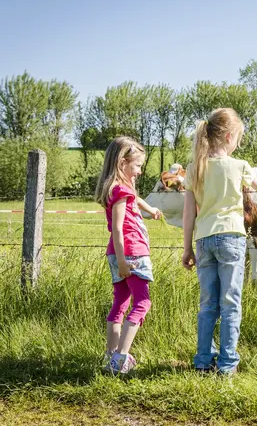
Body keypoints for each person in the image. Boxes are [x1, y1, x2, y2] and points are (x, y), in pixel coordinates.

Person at [182, 108, 257, 375]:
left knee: (208, 303)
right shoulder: (239, 166)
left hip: (203, 240)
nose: (238, 144)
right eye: (238, 139)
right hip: (231, 238)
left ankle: (202, 361)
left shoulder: (194, 168)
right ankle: (226, 364)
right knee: (231, 302)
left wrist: (187, 247)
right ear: (229, 136)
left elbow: (189, 213)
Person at [95, 136, 163, 374]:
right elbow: (117, 227)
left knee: (121, 303)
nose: (140, 171)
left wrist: (150, 209)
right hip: (131, 252)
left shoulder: (117, 188)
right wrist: (124, 261)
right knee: (143, 302)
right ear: (123, 163)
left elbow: (135, 199)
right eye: (137, 166)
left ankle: (110, 357)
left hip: (117, 253)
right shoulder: (122, 191)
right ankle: (121, 359)